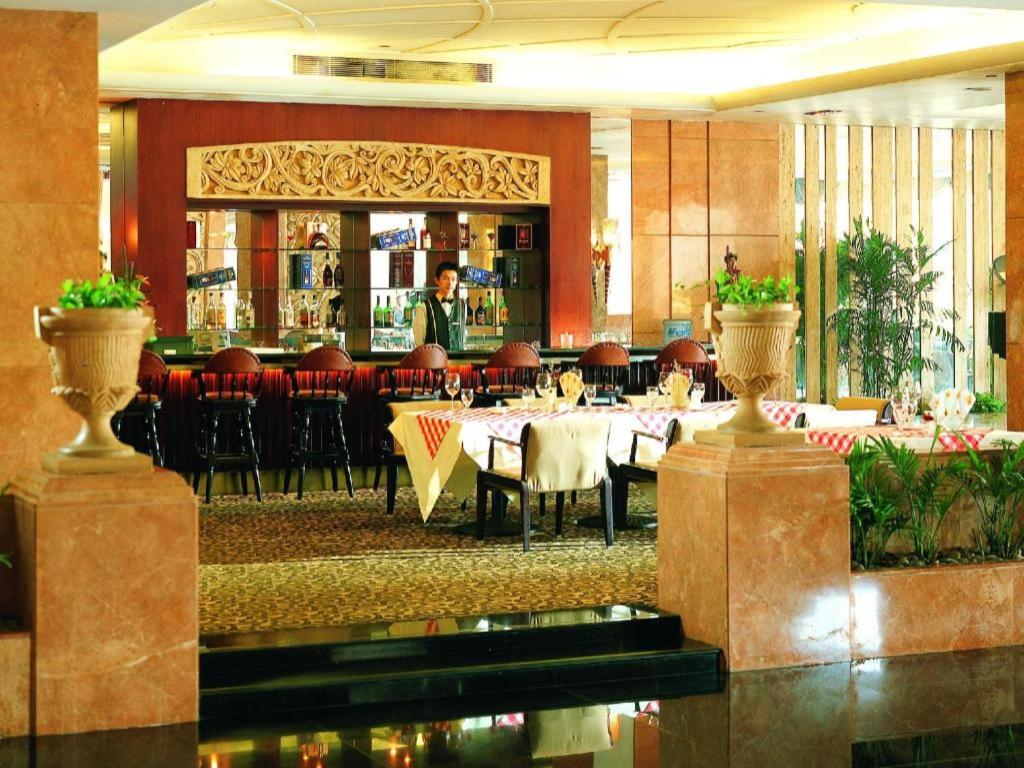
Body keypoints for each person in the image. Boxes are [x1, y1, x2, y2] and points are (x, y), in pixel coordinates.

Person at [413, 261, 465, 351]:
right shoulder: (424, 307)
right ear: (437, 280)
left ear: (457, 282)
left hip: (458, 359)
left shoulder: (462, 306)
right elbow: (419, 345)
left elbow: (462, 339)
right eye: (445, 278)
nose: (450, 283)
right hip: (433, 359)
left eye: (453, 279)